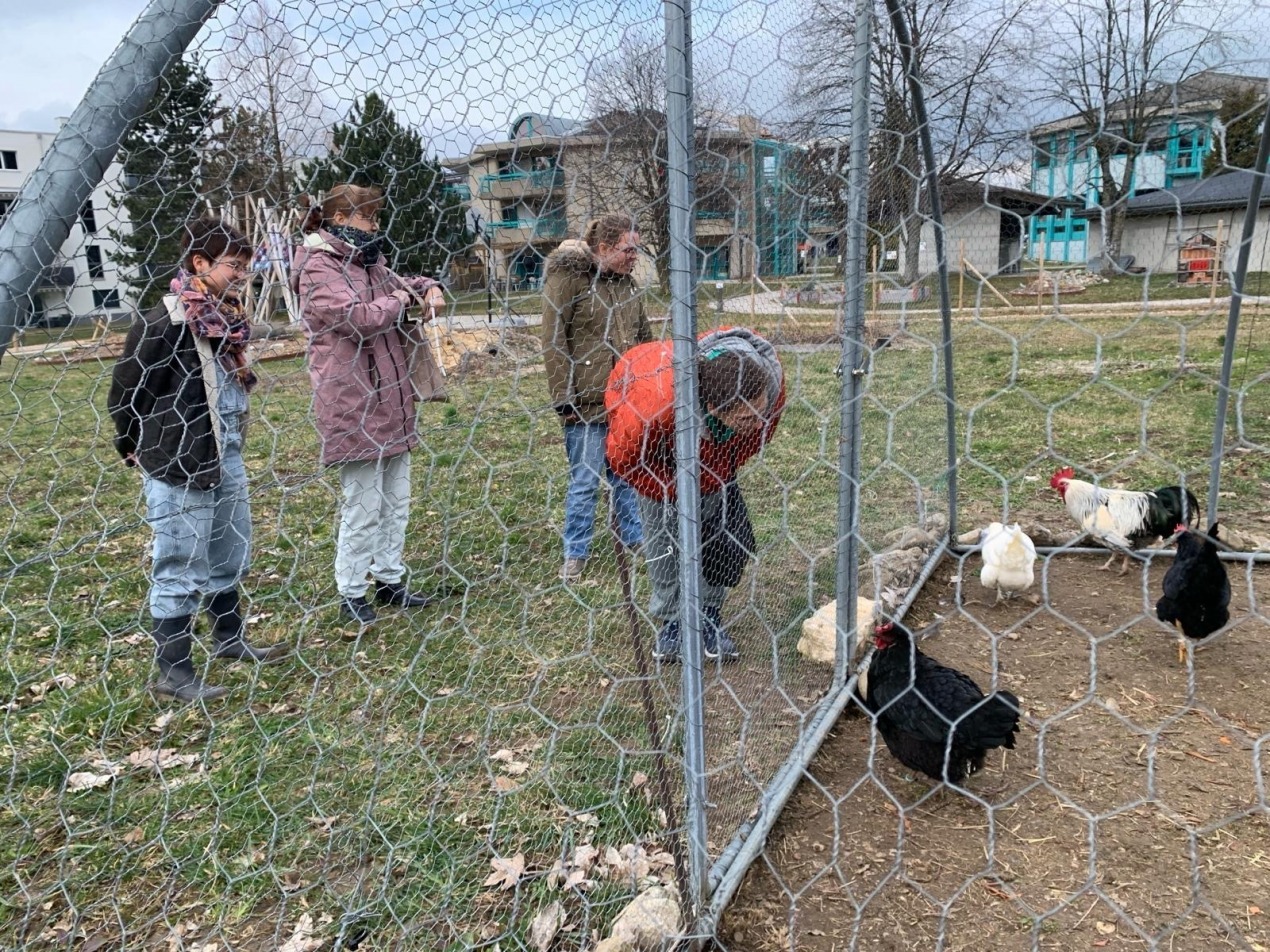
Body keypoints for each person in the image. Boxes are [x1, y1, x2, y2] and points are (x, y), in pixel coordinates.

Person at [109, 218, 286, 702]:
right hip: (178, 456)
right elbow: (127, 389)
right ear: (199, 264)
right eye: (234, 265)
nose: (242, 275)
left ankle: (229, 638)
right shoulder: (165, 320)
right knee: (181, 558)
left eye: (246, 266)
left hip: (223, 451)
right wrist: (129, 441)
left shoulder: (224, 318)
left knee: (230, 546)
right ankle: (174, 670)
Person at [292, 183, 447, 625]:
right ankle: (352, 592)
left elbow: (406, 283)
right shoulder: (318, 267)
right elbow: (358, 318)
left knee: (396, 498)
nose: (375, 225)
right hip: (353, 399)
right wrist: (402, 300)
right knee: (362, 504)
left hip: (392, 396)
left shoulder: (370, 260)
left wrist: (430, 287)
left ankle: (390, 580)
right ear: (339, 219)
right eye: (367, 217)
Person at [606, 328, 785, 663]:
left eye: (761, 408)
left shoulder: (769, 381)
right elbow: (623, 461)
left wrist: (716, 473)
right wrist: (676, 489)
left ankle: (709, 616)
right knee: (664, 539)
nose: (759, 420)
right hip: (656, 466)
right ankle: (673, 622)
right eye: (747, 417)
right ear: (714, 407)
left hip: (714, 464)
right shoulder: (653, 406)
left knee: (717, 537)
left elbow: (757, 437)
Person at [541, 213, 651, 582]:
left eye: (637, 249)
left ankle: (635, 538)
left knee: (627, 474)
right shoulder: (569, 280)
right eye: (627, 249)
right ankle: (575, 552)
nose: (634, 256)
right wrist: (563, 397)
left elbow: (645, 339)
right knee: (585, 480)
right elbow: (554, 340)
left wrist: (653, 385)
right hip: (585, 403)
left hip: (627, 401)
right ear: (603, 248)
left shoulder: (628, 285)